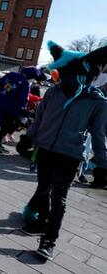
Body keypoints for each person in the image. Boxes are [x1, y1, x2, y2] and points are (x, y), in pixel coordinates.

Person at [20, 41, 107, 261]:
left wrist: (102, 164)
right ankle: (40, 222)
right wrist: (27, 137)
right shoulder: (54, 92)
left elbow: (99, 135)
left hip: (69, 155)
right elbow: (39, 119)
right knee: (42, 190)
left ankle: (49, 241)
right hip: (46, 150)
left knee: (59, 198)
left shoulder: (96, 101)